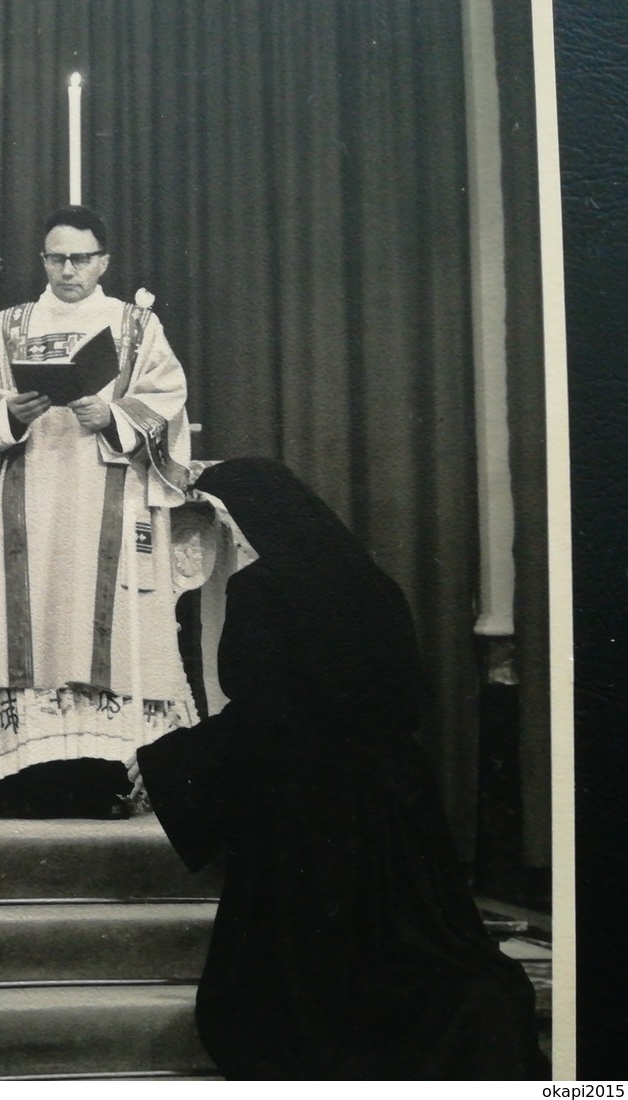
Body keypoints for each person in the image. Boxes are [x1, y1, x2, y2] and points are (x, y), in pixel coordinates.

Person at [131, 458, 547, 1079]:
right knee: (416, 948)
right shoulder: (375, 583)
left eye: (230, 522)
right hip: (395, 800)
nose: (231, 539)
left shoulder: (262, 588)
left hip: (309, 808)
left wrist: (164, 760)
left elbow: (268, 712)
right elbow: (403, 698)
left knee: (300, 985)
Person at [0, 206, 195, 818]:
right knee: (31, 619)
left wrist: (113, 416)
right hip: (27, 497)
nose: (67, 270)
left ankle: (111, 775)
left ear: (103, 261)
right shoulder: (9, 326)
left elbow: (167, 398)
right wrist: (11, 413)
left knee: (101, 622)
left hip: (110, 494)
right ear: (43, 261)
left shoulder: (136, 327)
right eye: (55, 257)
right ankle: (24, 779)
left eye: (80, 258)